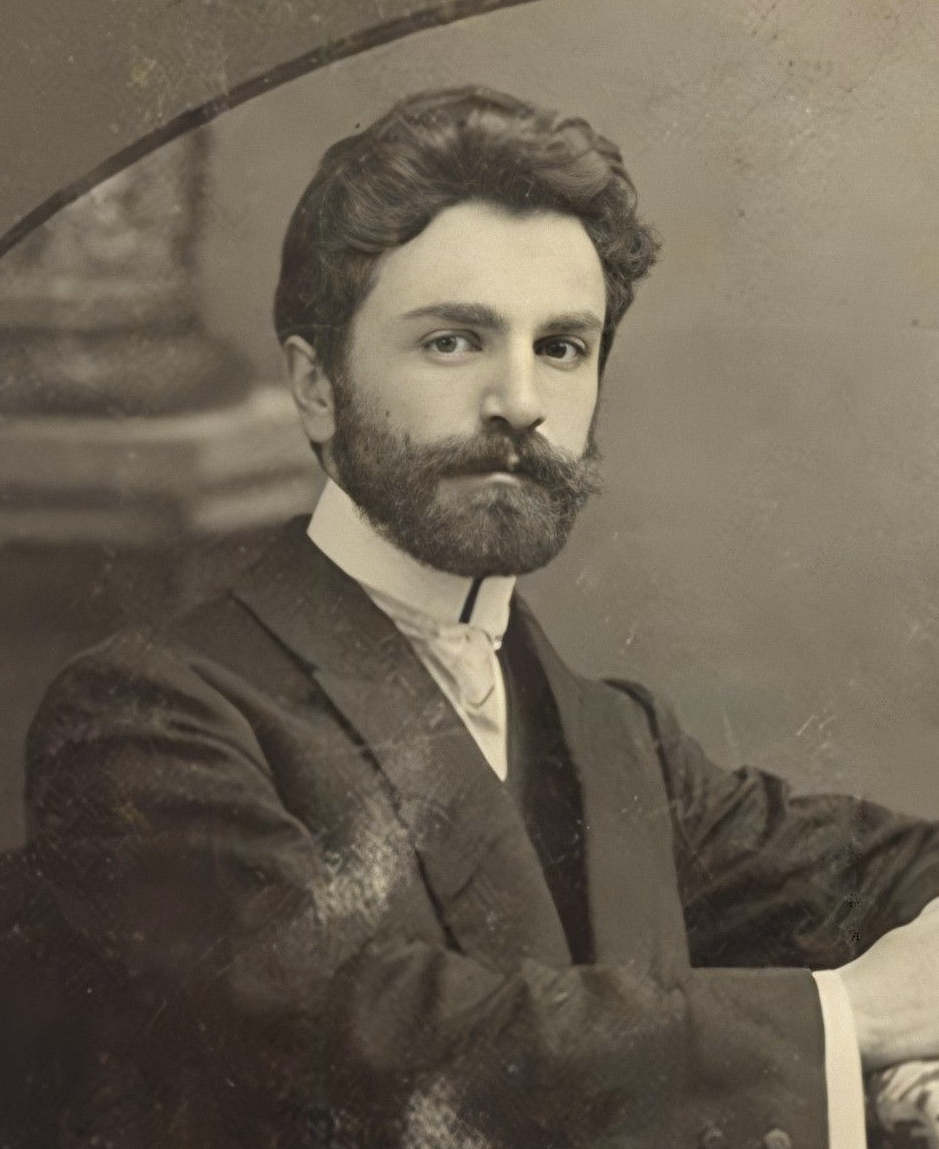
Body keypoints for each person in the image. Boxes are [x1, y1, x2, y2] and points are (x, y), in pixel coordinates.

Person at [22, 86, 939, 1149]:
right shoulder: (149, 722)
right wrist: (849, 1020)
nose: (521, 402)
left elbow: (889, 873)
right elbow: (364, 1039)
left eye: (562, 347)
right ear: (317, 385)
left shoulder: (622, 745)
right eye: (454, 341)